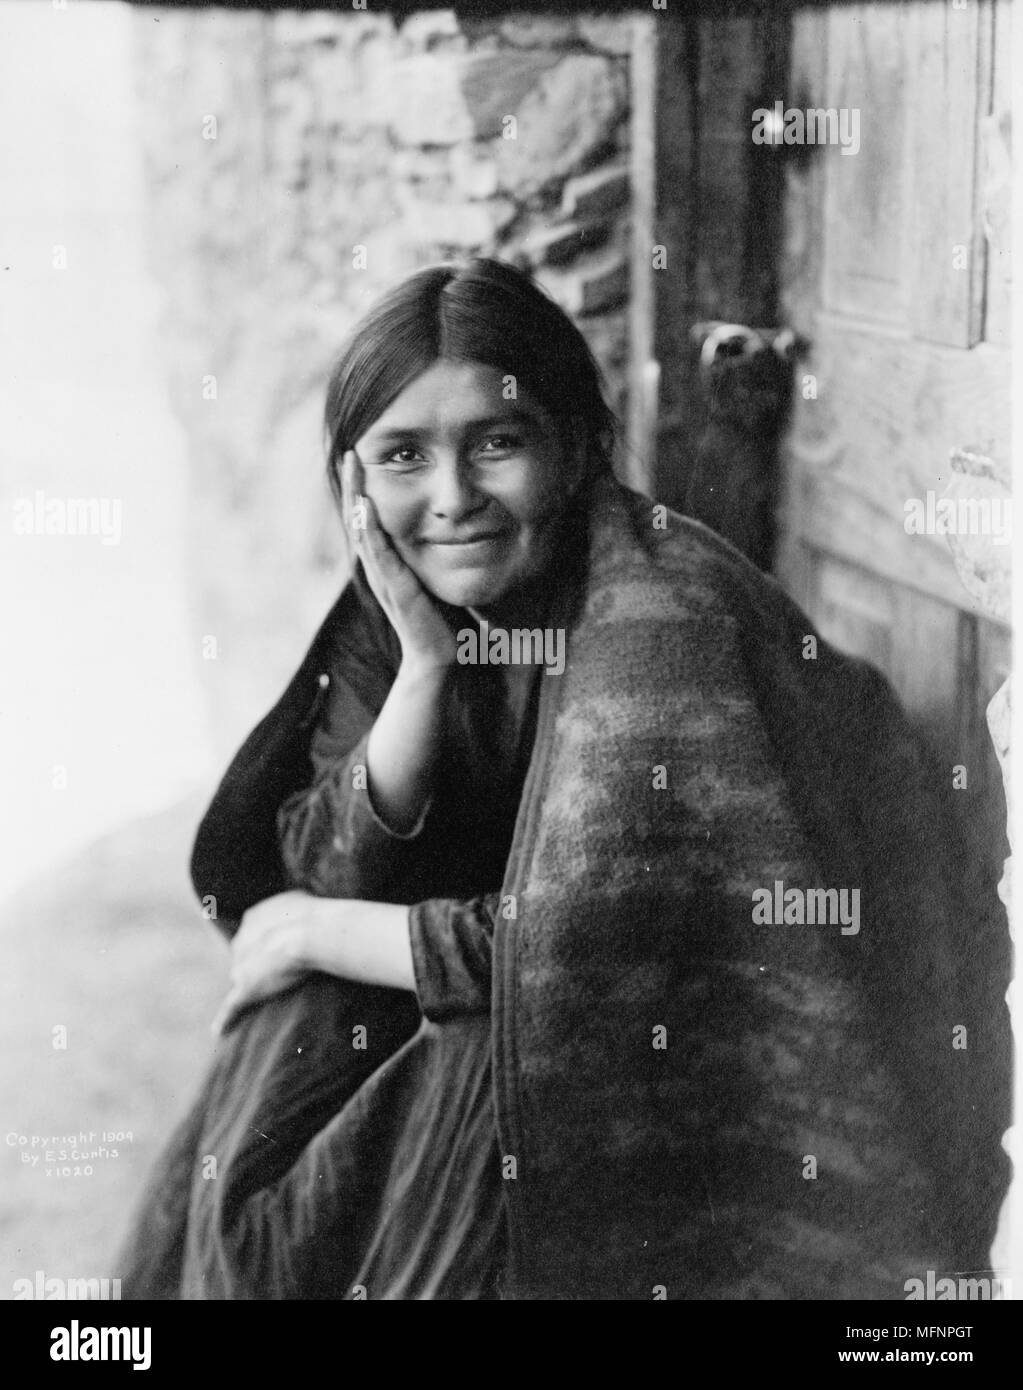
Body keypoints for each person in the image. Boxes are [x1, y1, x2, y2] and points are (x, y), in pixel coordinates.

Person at [116, 258, 1009, 1301]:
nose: (452, 499)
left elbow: (600, 951)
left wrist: (321, 930)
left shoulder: (656, 618)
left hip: (719, 1014)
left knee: (463, 1062)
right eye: (403, 456)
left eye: (496, 443)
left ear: (576, 446)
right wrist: (423, 671)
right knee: (280, 1065)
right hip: (545, 964)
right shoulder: (406, 601)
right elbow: (322, 858)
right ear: (354, 484)